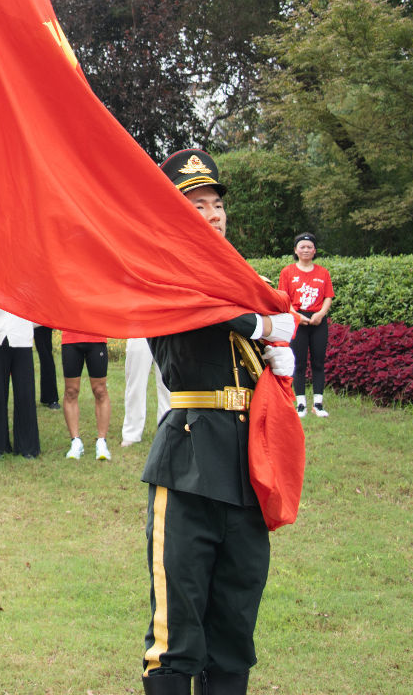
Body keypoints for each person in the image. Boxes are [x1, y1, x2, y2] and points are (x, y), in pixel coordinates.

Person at [139, 148, 295, 695]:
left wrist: (277, 362)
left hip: (245, 461)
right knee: (177, 630)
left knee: (234, 623)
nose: (212, 213)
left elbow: (259, 327)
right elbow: (197, 311)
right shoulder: (163, 274)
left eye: (216, 204)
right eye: (197, 205)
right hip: (188, 458)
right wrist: (258, 324)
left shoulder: (242, 279)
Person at [278, 233, 334, 418]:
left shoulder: (322, 272)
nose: (306, 250)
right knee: (298, 363)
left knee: (318, 362)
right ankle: (300, 403)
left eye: (309, 247)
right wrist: (296, 315)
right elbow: (284, 298)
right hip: (297, 320)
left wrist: (320, 314)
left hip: (318, 320)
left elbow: (328, 297)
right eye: (302, 247)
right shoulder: (287, 272)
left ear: (314, 250)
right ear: (296, 250)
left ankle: (318, 403)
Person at [0, 301, 39, 458]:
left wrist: (24, 325)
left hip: (22, 341)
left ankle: (27, 446)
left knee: (25, 393)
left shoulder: (29, 289)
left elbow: (40, 315)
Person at [61, 329, 112, 461]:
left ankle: (102, 442)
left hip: (96, 336)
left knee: (100, 390)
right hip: (70, 337)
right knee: (71, 391)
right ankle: (75, 442)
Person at [122, 331, 171, 448]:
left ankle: (167, 429)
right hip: (140, 327)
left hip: (165, 326)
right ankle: (131, 433)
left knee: (168, 385)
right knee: (135, 383)